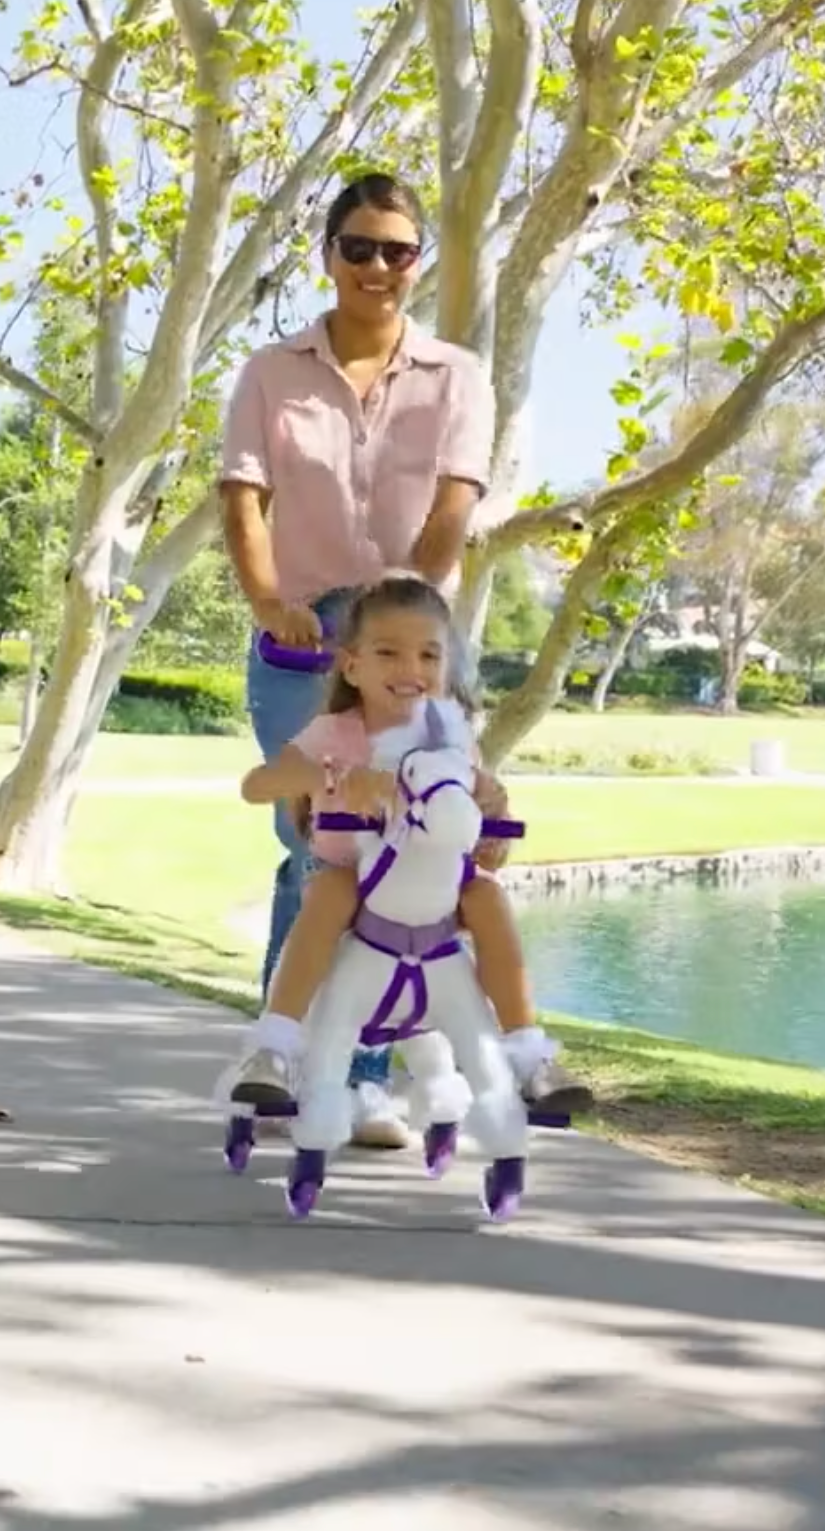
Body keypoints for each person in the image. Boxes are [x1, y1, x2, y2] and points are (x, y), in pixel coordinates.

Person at [216, 173, 493, 1150]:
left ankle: (366, 1079)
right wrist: (268, 603)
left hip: (409, 638)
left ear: (417, 262)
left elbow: (454, 505)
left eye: (397, 250)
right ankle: (283, 1065)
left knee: (400, 849)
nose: (377, 266)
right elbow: (241, 497)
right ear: (327, 253)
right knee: (316, 847)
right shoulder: (270, 373)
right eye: (358, 247)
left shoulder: (456, 376)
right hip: (300, 639)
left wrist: (399, 614)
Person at [212, 573, 589, 1116]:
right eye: (388, 653)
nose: (411, 670)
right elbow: (257, 786)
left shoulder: (453, 738)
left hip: (433, 880)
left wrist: (494, 823)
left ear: (446, 666)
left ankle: (529, 1054)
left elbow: (475, 835)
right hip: (352, 874)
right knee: (331, 892)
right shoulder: (336, 732)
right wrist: (334, 777)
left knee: (486, 894)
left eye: (428, 656)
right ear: (352, 666)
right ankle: (275, 1047)